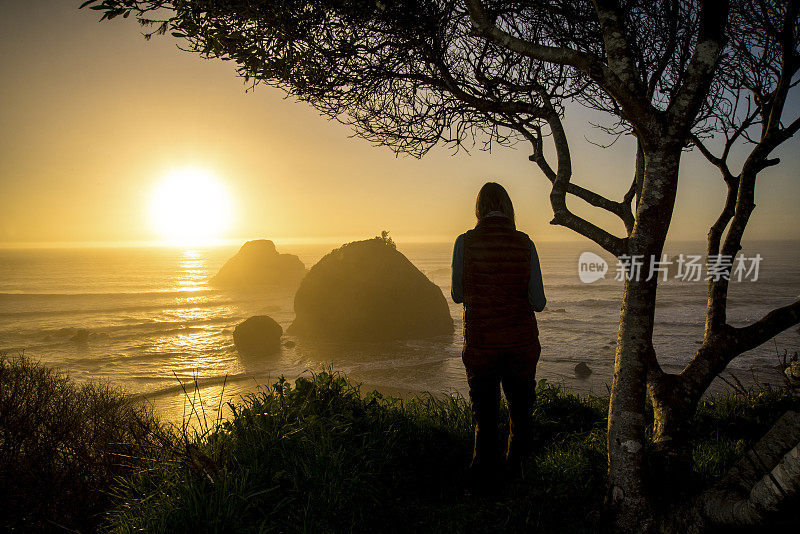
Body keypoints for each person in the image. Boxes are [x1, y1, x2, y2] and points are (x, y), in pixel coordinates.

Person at [451, 182, 546, 486]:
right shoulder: (525, 243)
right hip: (520, 345)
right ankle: (516, 480)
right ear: (507, 207)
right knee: (520, 418)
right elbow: (538, 302)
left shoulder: (464, 243)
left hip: (481, 346)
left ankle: (482, 480)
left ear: (478, 208)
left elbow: (456, 294)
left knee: (485, 419)